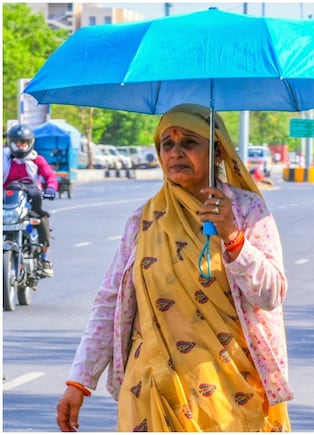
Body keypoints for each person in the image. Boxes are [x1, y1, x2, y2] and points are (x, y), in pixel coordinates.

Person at [55, 103, 292, 432]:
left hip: (229, 391)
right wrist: (79, 381)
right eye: (168, 144)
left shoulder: (247, 211)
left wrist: (232, 237)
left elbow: (270, 294)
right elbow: (110, 301)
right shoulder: (144, 219)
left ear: (218, 152)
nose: (176, 153)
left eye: (190, 142)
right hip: (152, 386)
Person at [3, 123, 58, 277]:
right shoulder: (4, 159)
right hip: (7, 202)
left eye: (24, 143)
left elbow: (50, 176)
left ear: (30, 143)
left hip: (30, 203)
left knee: (42, 223)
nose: (20, 147)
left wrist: (51, 188)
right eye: (17, 143)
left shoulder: (36, 160)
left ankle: (43, 259)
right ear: (11, 143)